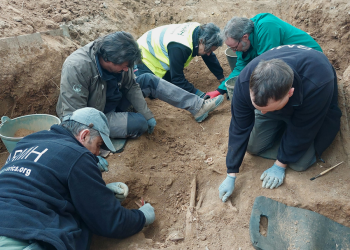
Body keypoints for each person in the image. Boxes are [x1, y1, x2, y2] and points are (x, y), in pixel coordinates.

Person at [0, 107, 155, 250]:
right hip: (22, 239)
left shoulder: (28, 141)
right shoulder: (78, 156)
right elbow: (109, 222)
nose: (97, 153)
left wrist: (98, 193)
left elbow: (38, 186)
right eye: (99, 145)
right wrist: (141, 217)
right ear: (84, 135)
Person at [56, 31, 224, 148]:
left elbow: (132, 85)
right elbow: (73, 118)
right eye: (123, 67)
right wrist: (88, 148)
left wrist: (148, 114)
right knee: (139, 123)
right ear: (108, 60)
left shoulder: (122, 55)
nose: (126, 70)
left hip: (115, 98)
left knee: (147, 80)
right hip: (97, 116)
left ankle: (197, 106)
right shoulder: (77, 67)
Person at [218, 45, 342, 202]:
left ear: (290, 93)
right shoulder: (245, 82)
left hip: (310, 106)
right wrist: (231, 172)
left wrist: (280, 164)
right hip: (278, 103)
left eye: (266, 109)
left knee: (300, 164)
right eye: (258, 109)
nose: (262, 113)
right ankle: (282, 132)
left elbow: (303, 128)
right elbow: (239, 126)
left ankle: (287, 144)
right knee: (252, 147)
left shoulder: (318, 82)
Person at [206, 13, 323, 99]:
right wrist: (219, 90)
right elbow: (240, 67)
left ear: (245, 37)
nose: (234, 51)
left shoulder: (267, 27)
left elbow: (265, 65)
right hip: (288, 60)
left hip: (310, 60)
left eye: (234, 48)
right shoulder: (243, 41)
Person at [136, 22, 225, 98]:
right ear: (201, 41)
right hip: (144, 56)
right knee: (154, 90)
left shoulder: (199, 31)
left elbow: (209, 56)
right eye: (209, 50)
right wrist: (201, 95)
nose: (209, 53)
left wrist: (221, 78)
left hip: (158, 45)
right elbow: (178, 79)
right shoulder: (180, 48)